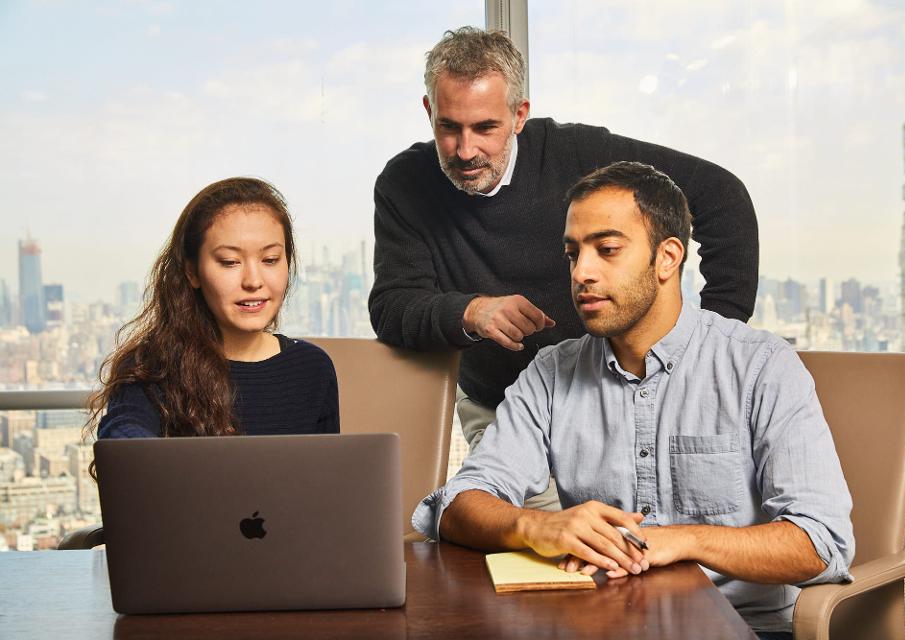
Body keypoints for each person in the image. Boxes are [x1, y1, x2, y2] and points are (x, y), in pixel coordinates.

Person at [412, 162, 853, 638]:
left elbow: (820, 543)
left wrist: (680, 541)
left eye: (606, 250)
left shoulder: (761, 366)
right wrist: (536, 527)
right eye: (572, 254)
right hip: (602, 626)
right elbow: (456, 505)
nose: (582, 272)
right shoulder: (551, 373)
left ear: (667, 258)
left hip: (743, 628)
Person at [369, 28, 759, 508]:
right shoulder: (404, 183)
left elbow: (723, 198)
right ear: (429, 112)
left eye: (485, 128)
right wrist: (471, 312)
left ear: (519, 116)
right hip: (502, 407)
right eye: (449, 128)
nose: (465, 150)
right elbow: (391, 306)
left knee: (627, 551)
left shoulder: (579, 155)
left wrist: (705, 341)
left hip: (610, 398)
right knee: (528, 550)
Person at [87, 177, 339, 440]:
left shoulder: (313, 368)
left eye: (270, 260)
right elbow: (122, 435)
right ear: (192, 272)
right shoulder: (154, 366)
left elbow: (329, 475)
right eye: (230, 262)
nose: (253, 281)